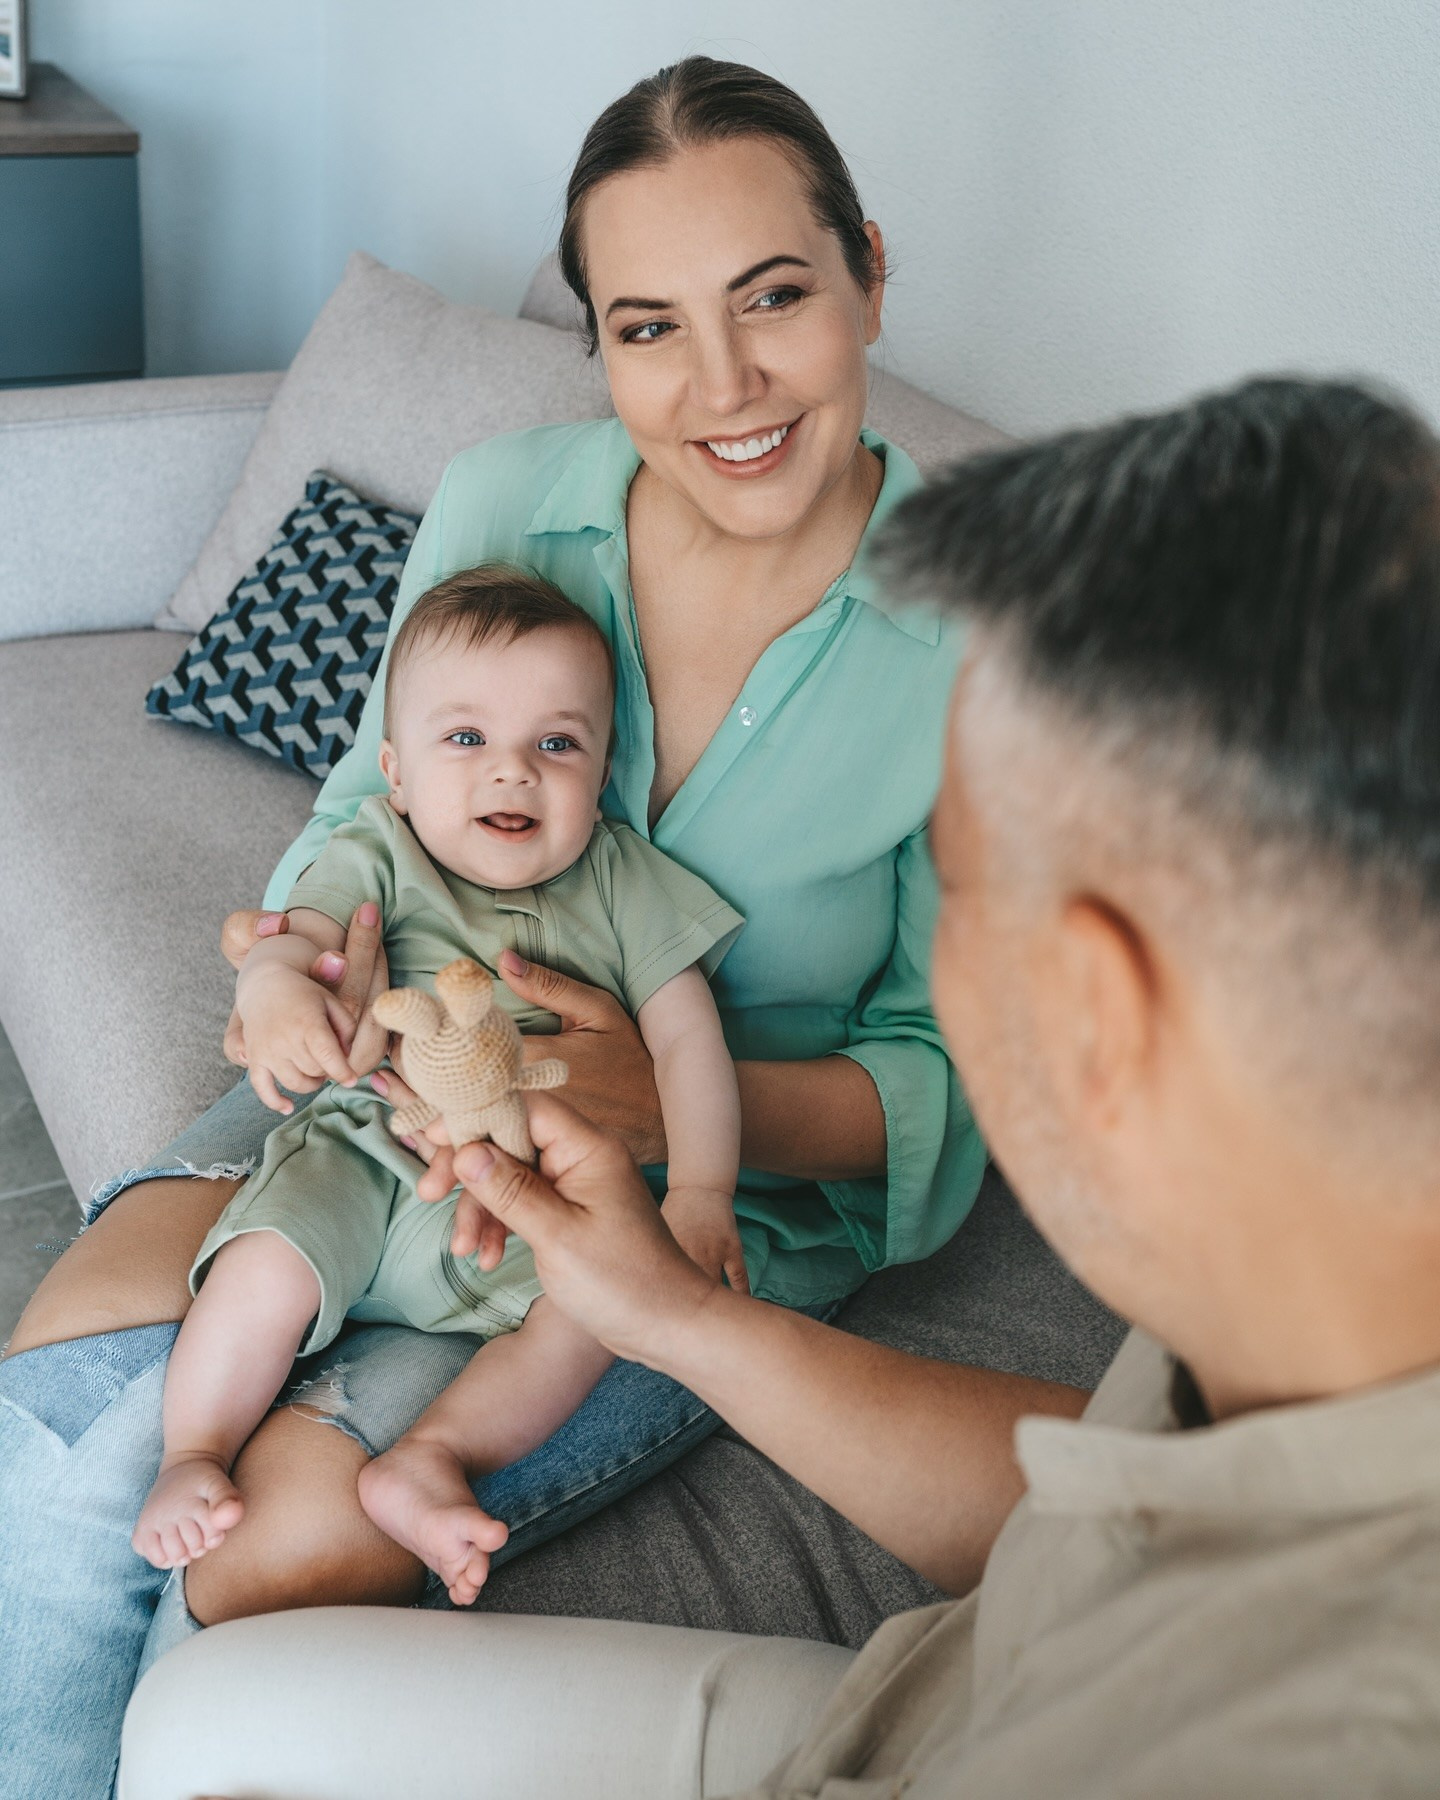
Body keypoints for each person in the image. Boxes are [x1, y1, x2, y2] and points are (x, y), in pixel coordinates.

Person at [122, 376, 1440, 1797]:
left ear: (1099, 1001)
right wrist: (680, 1313)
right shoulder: (1288, 1326)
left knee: (210, 1731)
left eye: (962, 901)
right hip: (926, 1685)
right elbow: (1108, 1514)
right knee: (207, 1719)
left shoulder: (1305, 1736)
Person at [0, 57, 1035, 1800]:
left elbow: (948, 1089)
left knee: (258, 1565)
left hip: (690, 1213)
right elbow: (364, 798)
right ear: (602, 345)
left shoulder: (992, 634)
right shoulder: (506, 503)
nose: (722, 386)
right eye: (649, 327)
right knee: (73, 1405)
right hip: (376, 1090)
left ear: (866, 266)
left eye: (773, 297)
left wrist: (659, 1114)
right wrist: (283, 965)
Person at [133, 567, 747, 1606]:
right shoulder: (376, 849)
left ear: (601, 773)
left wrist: (700, 1195)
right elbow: (301, 946)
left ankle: (431, 1459)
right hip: (369, 1150)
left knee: (600, 1305)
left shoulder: (627, 881)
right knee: (268, 1264)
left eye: (557, 744)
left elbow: (691, 1047)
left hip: (537, 1194)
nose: (512, 772)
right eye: (465, 740)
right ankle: (193, 1448)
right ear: (397, 773)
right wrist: (278, 991)